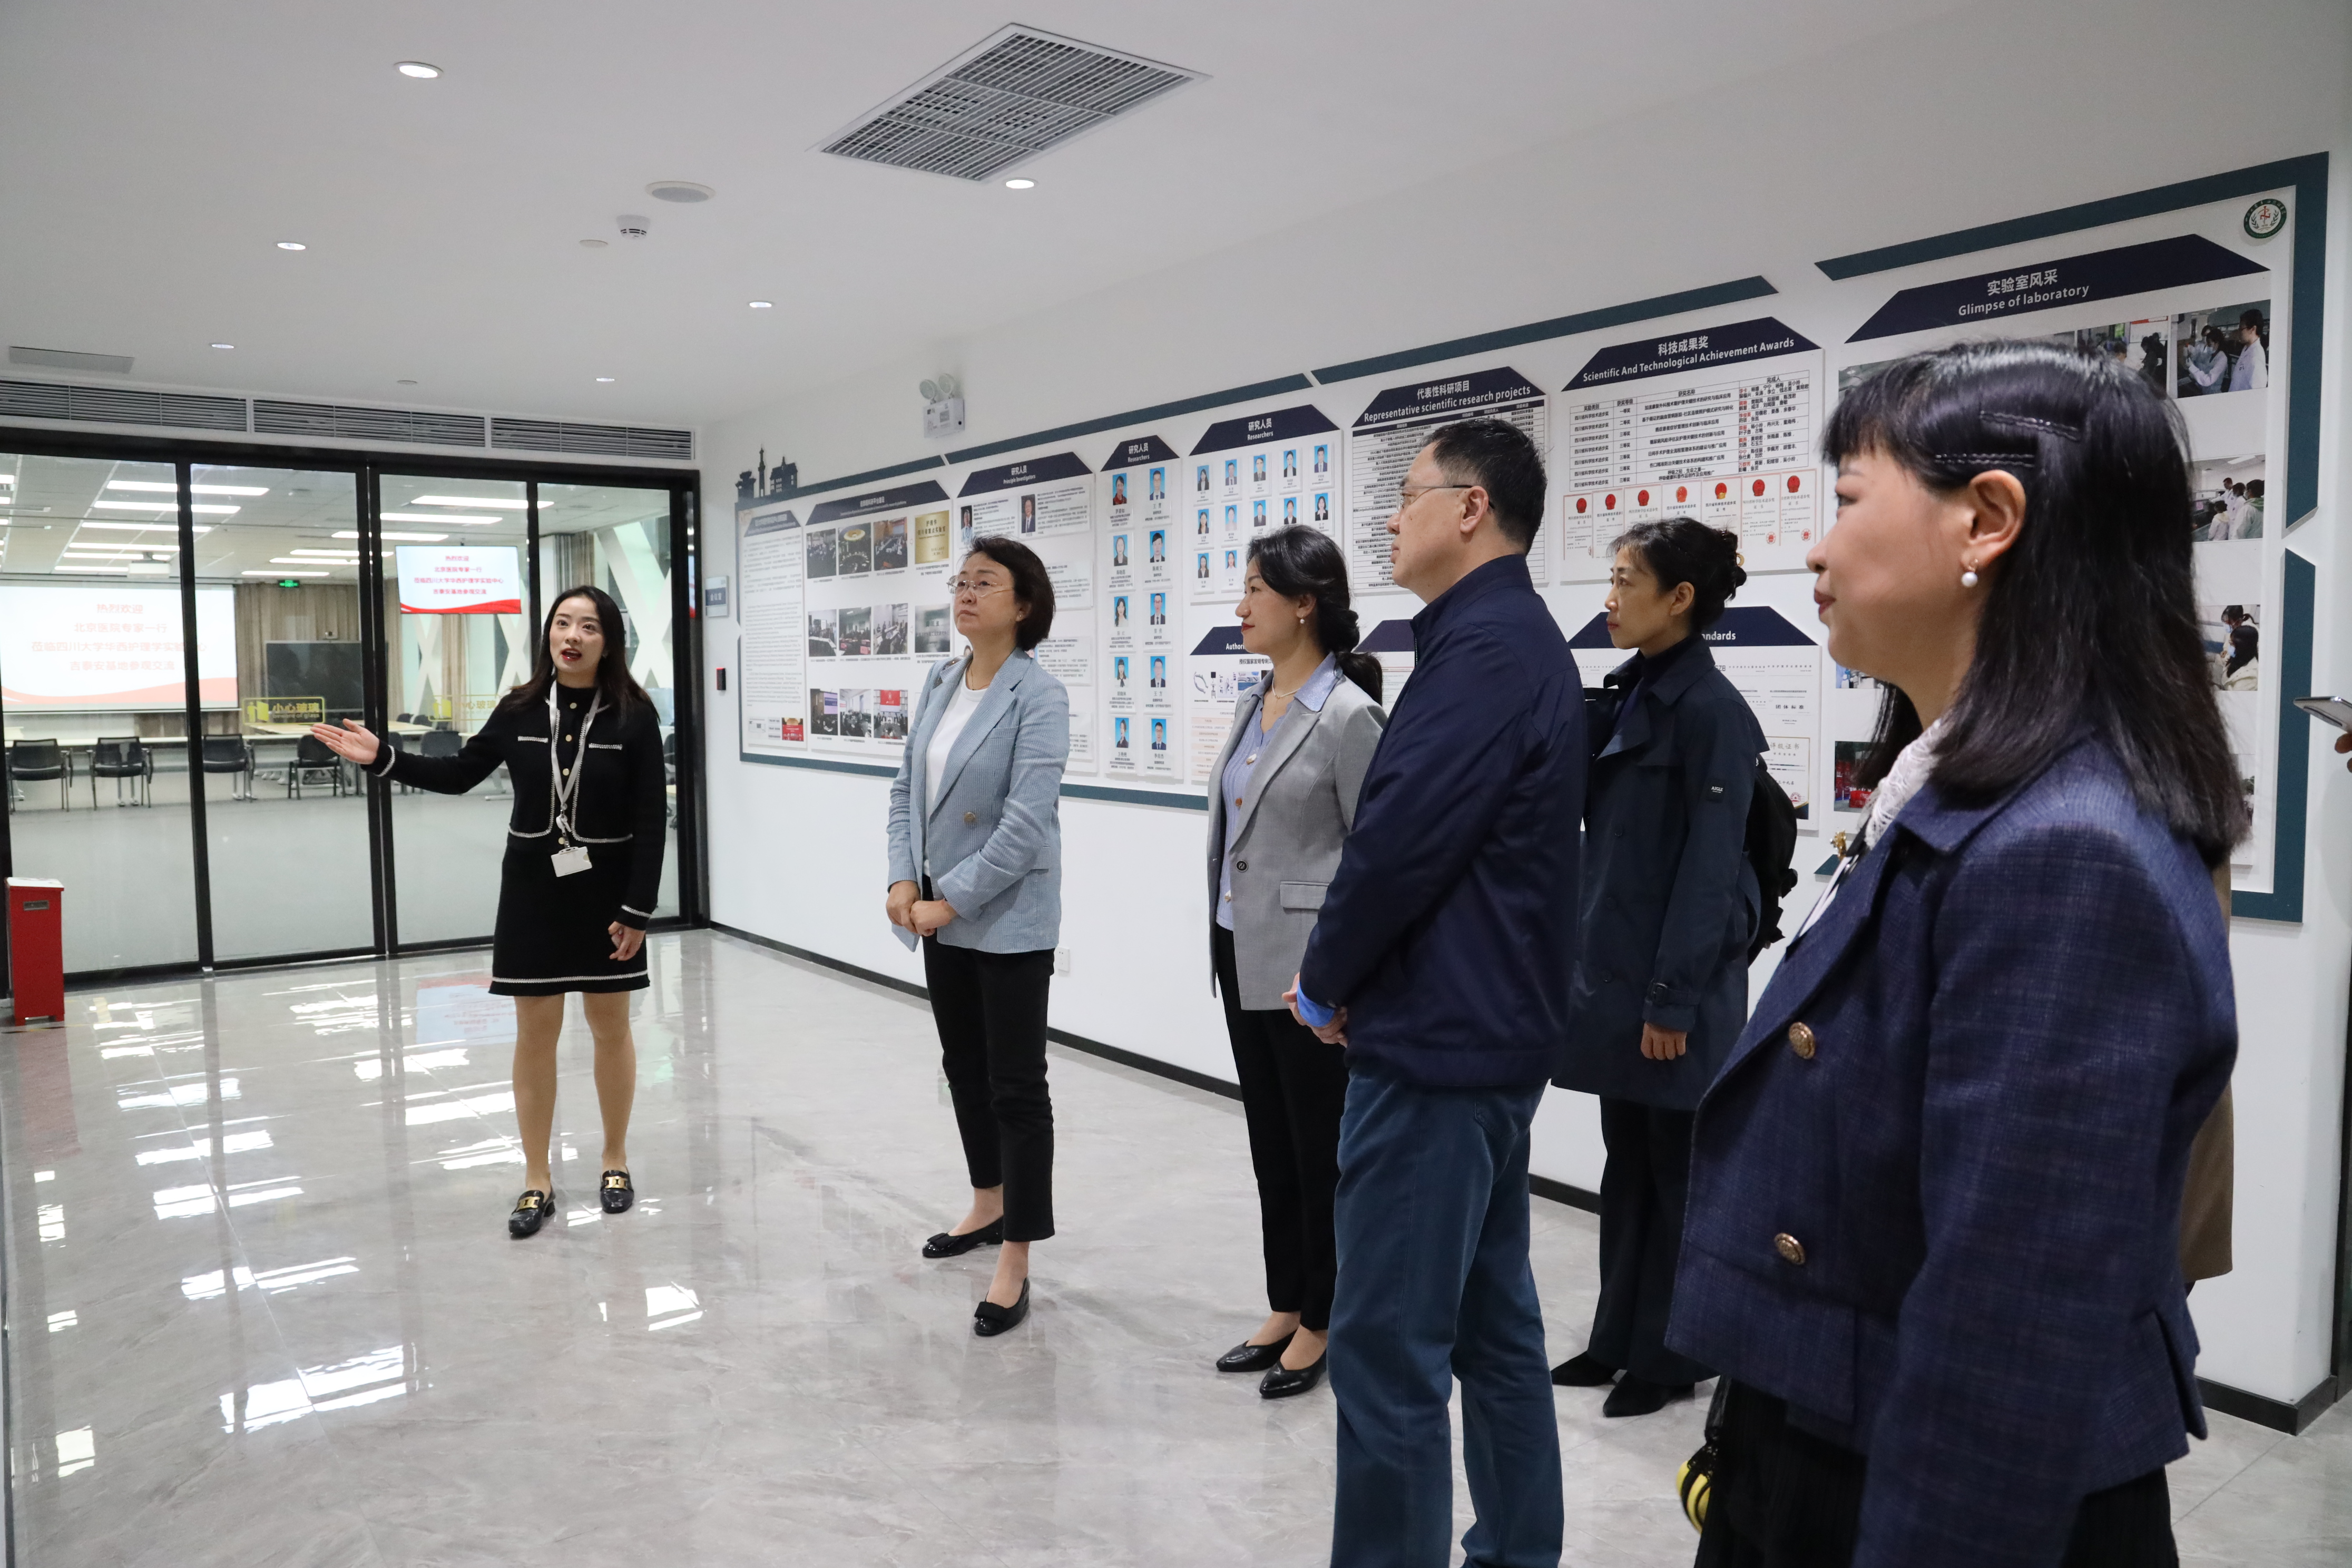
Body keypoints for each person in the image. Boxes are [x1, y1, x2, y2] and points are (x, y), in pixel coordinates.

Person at [1672, 340, 2241, 1566]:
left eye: (1845, 501)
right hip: (1828, 1419)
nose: (1815, 550)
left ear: (1985, 519)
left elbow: (2007, 1331)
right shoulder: (1969, 794)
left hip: (1922, 1479)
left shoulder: (2062, 849)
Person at [1288, 417, 1583, 1568]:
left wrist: (1324, 978)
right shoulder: (1501, 639)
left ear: (1470, 508)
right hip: (1485, 1040)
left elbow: (1400, 844)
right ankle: (1515, 1549)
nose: (1389, 517)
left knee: (1386, 1352)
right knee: (1489, 1326)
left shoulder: (1486, 651)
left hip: (1435, 1050)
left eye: (1407, 493)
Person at [309, 586, 665, 1237]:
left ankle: (614, 1160)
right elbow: (460, 773)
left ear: (608, 641)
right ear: (549, 635)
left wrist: (638, 909)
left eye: (589, 626)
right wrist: (384, 758)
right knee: (535, 1035)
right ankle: (537, 1178)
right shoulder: (521, 707)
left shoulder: (633, 716)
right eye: (563, 623)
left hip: (607, 897)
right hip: (533, 893)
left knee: (611, 1028)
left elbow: (651, 817)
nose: (573, 636)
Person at [1550, 517, 1763, 1418]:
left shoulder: (1711, 713)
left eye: (1625, 581)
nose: (1609, 599)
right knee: (1627, 1165)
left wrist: (1671, 1001)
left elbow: (1711, 872)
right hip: (1620, 983)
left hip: (1675, 993)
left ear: (1679, 598)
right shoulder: (1632, 692)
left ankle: (1671, 1357)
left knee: (1676, 1177)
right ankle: (1615, 1338)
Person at [1204, 526, 1388, 1400]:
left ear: (1304, 603)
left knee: (1321, 1153)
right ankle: (1285, 1302)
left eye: (1256, 590)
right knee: (1271, 1145)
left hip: (1306, 966)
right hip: (1238, 945)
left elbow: (1374, 858)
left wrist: (1341, 978)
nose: (1241, 606)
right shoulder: (1257, 701)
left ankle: (1325, 1315)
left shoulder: (1348, 715)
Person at [884, 538, 1071, 1338]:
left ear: (1023, 605)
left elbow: (1025, 827)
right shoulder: (940, 680)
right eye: (959, 581)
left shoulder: (1041, 695)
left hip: (1006, 919)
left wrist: (949, 900)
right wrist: (903, 878)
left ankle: (1017, 1256)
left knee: (1016, 1087)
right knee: (964, 1068)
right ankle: (987, 1203)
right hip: (936, 913)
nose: (965, 592)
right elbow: (905, 788)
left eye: (984, 583)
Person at [2183, 324, 2230, 395]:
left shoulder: (2222, 359)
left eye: (2210, 345)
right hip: (2204, 390)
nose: (2208, 347)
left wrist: (2192, 367)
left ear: (2217, 343)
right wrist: (2189, 350)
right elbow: (2199, 356)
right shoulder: (2211, 355)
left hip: (2213, 393)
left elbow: (2208, 381)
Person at [2231, 308, 2268, 391]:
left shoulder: (2256, 358)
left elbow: (2257, 393)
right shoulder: (2246, 348)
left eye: (2241, 329)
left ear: (2253, 329)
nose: (2239, 332)